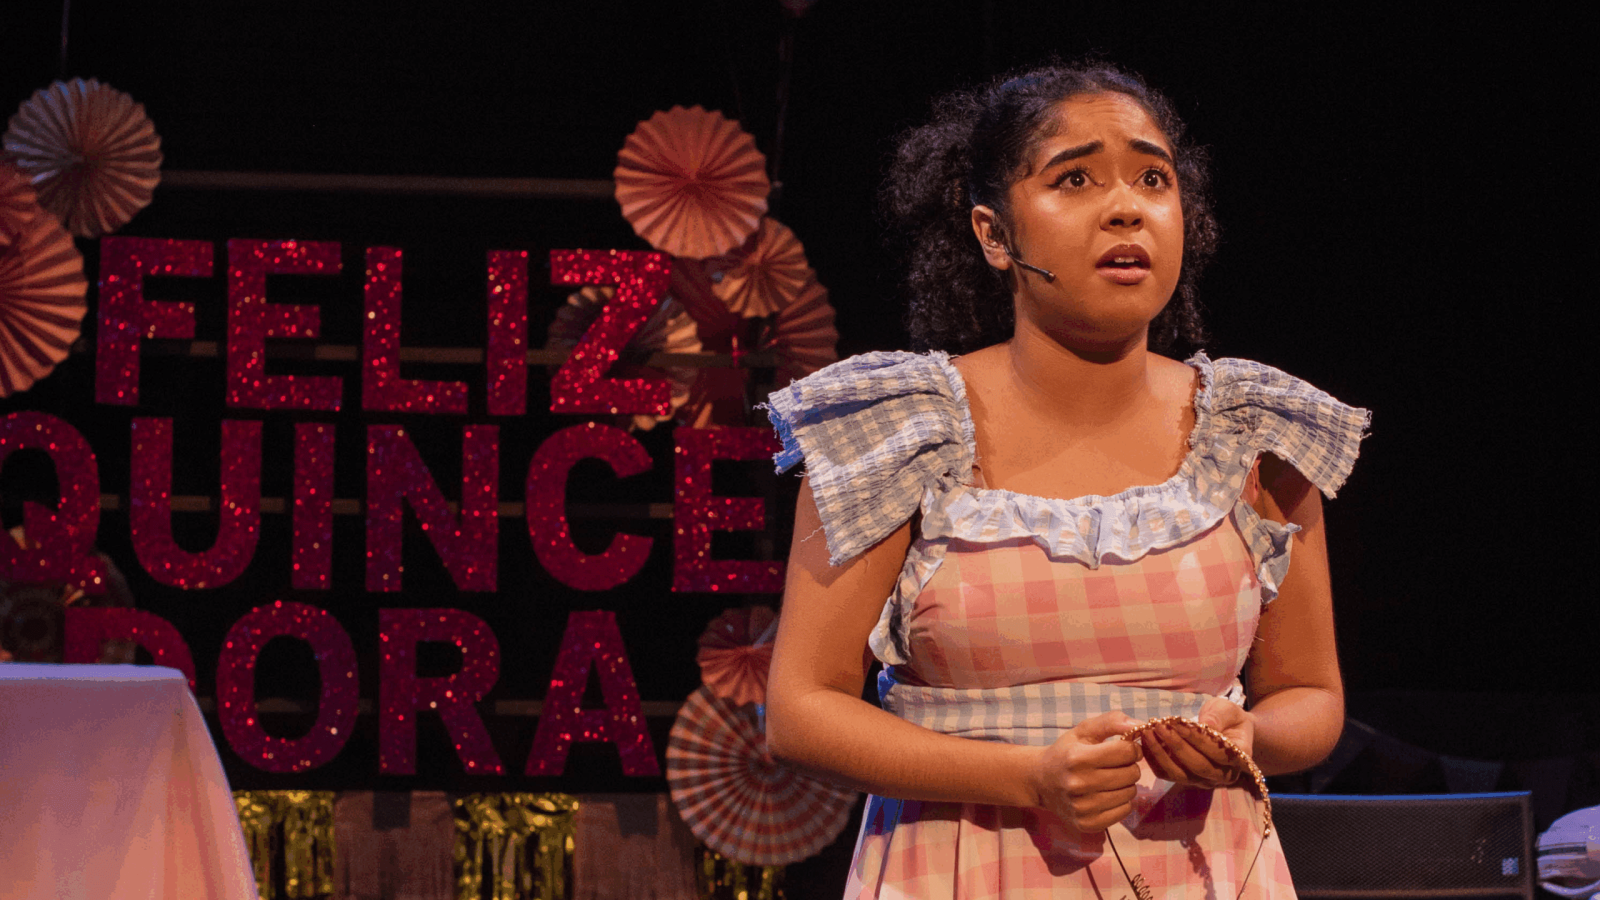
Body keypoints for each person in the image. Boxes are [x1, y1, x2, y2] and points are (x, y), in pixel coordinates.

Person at [763, 62, 1369, 898]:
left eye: (1152, 178)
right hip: (962, 871)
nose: (1126, 207)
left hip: (1205, 869)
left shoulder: (1255, 433)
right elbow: (799, 711)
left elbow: (1310, 694)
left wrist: (1249, 738)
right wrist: (1025, 780)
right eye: (1074, 178)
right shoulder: (900, 430)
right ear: (994, 235)